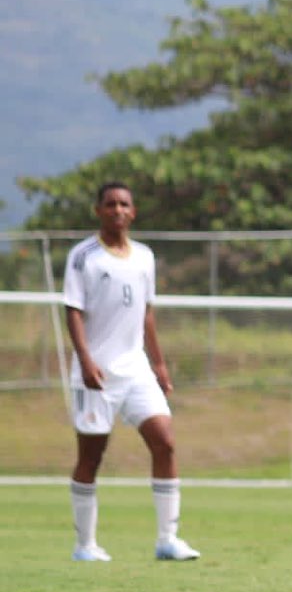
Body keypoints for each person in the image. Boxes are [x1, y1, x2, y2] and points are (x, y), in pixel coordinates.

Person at [63, 182, 199, 562]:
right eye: (110, 204)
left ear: (133, 212)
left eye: (124, 204)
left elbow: (147, 313)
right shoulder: (83, 256)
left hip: (136, 369)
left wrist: (158, 363)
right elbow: (72, 310)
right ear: (98, 211)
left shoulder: (144, 257)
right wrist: (86, 360)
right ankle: (85, 546)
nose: (117, 210)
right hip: (98, 374)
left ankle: (167, 539)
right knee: (92, 456)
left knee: (165, 441)